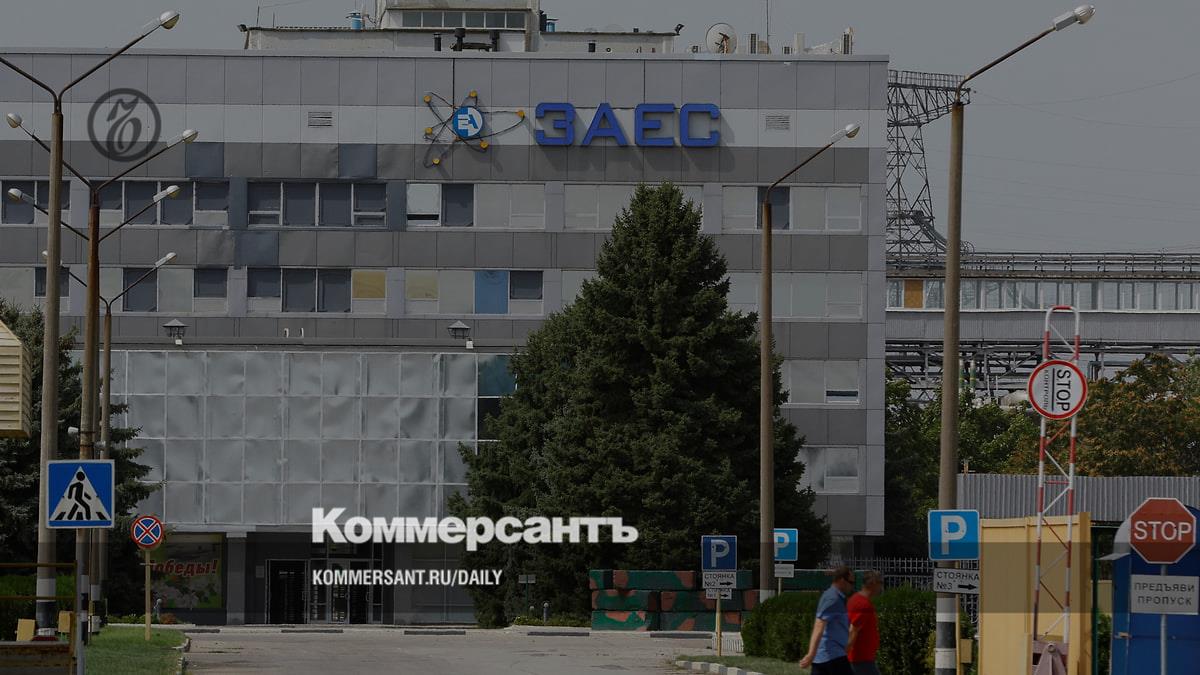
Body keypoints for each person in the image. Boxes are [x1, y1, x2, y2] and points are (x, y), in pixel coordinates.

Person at [799, 566, 855, 675]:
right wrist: (811, 655)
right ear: (842, 580)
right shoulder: (833, 599)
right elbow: (819, 625)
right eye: (851, 582)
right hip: (832, 657)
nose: (852, 586)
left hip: (828, 657)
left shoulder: (835, 597)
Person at [847, 570, 884, 675]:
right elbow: (853, 631)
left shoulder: (855, 599)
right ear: (873, 583)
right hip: (860, 660)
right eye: (880, 583)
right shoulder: (863, 605)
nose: (881, 586)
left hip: (861, 659)